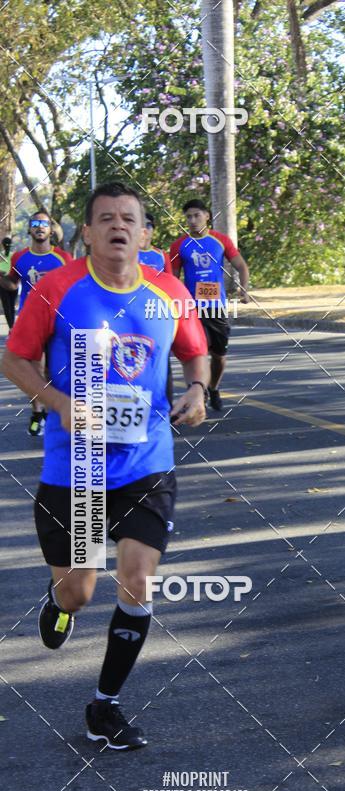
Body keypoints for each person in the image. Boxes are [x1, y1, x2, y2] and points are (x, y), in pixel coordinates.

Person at [1, 181, 208, 750]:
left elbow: (195, 350)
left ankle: (105, 705)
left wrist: (196, 389)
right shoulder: (57, 289)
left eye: (130, 218)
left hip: (148, 462)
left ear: (144, 234)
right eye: (106, 218)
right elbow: (14, 358)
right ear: (87, 233)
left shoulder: (169, 292)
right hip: (77, 472)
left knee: (138, 580)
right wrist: (62, 404)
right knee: (80, 593)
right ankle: (57, 602)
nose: (119, 225)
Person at [170, 199, 249, 412]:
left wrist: (244, 289)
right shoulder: (179, 245)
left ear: (207, 216)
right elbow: (173, 278)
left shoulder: (220, 241)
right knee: (198, 351)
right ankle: (200, 391)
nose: (193, 220)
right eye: (188, 217)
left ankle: (213, 387)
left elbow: (241, 265)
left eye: (197, 215)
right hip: (191, 308)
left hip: (216, 306)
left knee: (219, 356)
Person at [0, 210, 73, 435]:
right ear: (29, 229)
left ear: (51, 230)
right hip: (30, 319)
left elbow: (73, 286)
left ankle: (60, 410)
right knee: (34, 368)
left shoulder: (63, 258)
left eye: (44, 223)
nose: (39, 227)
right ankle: (37, 413)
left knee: (56, 369)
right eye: (35, 223)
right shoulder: (19, 258)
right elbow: (12, 285)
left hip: (59, 319)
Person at [0, 236, 17, 331]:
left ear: (2, 245)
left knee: (6, 306)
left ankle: (11, 327)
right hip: (14, 283)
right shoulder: (14, 255)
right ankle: (12, 326)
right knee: (12, 305)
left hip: (3, 283)